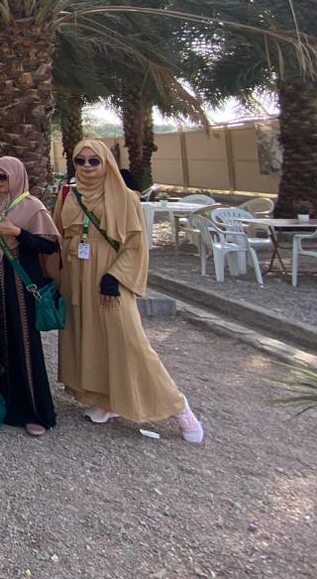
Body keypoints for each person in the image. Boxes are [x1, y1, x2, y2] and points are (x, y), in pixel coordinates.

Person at [55, 139, 204, 442]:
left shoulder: (124, 197)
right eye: (80, 161)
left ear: (106, 163)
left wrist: (116, 275)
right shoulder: (68, 195)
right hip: (76, 275)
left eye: (94, 161)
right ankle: (105, 400)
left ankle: (177, 405)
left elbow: (136, 245)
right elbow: (58, 235)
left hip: (109, 276)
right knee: (89, 339)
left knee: (129, 342)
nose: (87, 166)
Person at [0, 156, 59, 435]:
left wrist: (19, 233)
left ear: (17, 177)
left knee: (24, 343)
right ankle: (4, 405)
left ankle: (34, 411)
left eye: (3, 177)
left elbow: (49, 244)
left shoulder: (32, 206)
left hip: (20, 285)